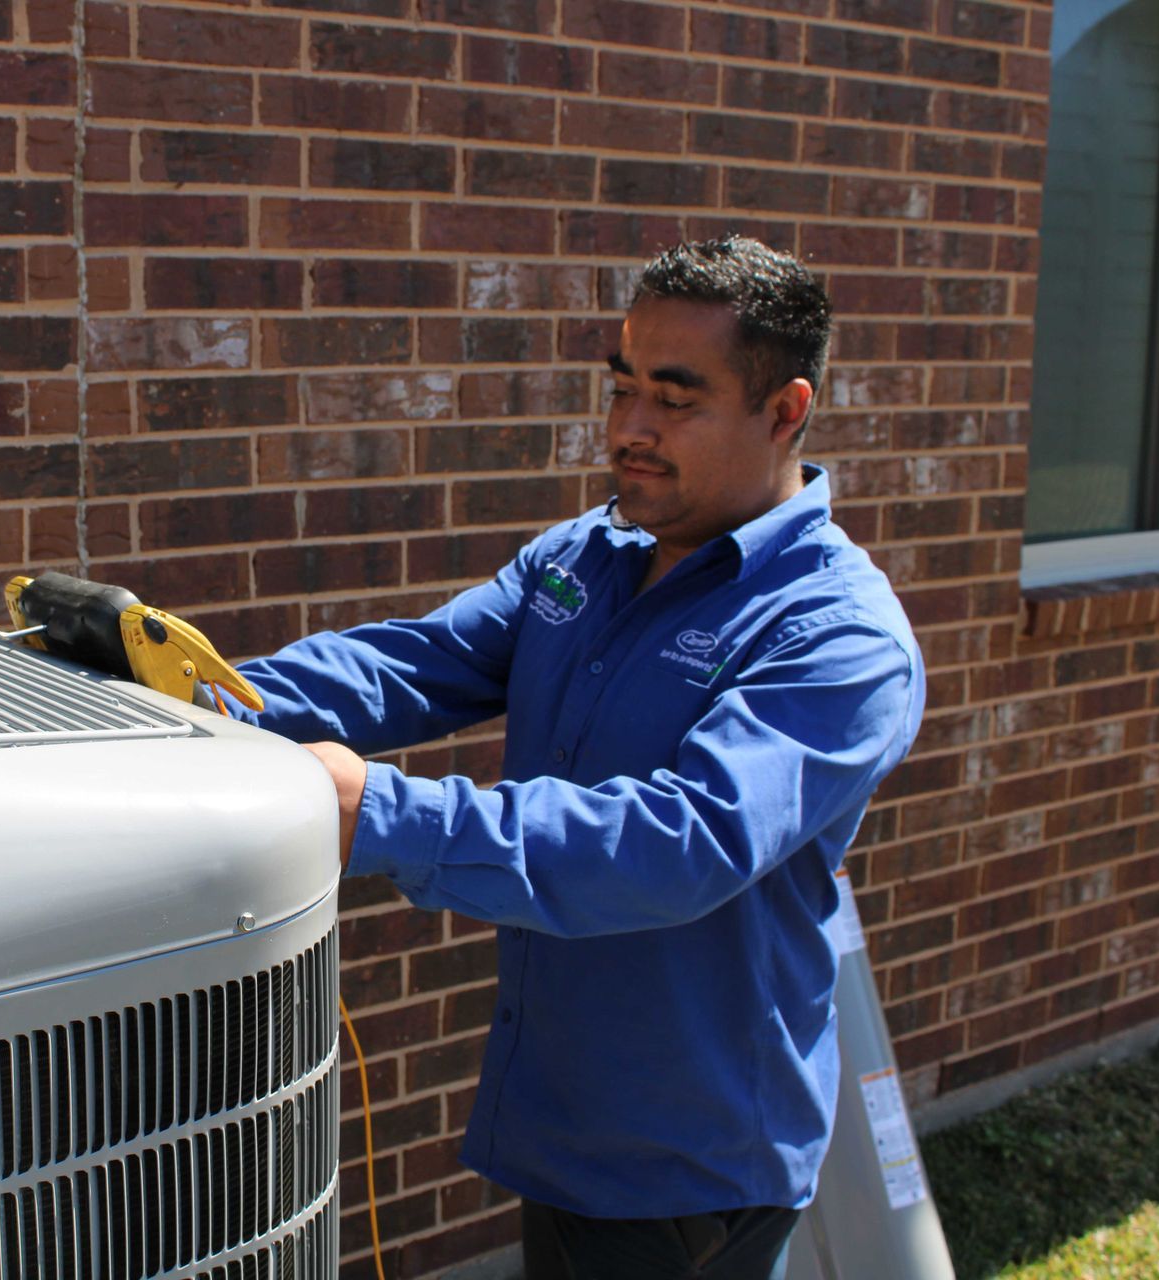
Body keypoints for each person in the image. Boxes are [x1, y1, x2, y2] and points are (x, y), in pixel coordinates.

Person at [224, 236, 926, 1280]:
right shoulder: (587, 555)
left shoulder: (837, 635)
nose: (629, 429)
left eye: (676, 399)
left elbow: (681, 840)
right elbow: (418, 662)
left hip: (686, 1161)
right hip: (570, 1118)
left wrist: (380, 813)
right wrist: (194, 692)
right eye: (625, 386)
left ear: (785, 410)